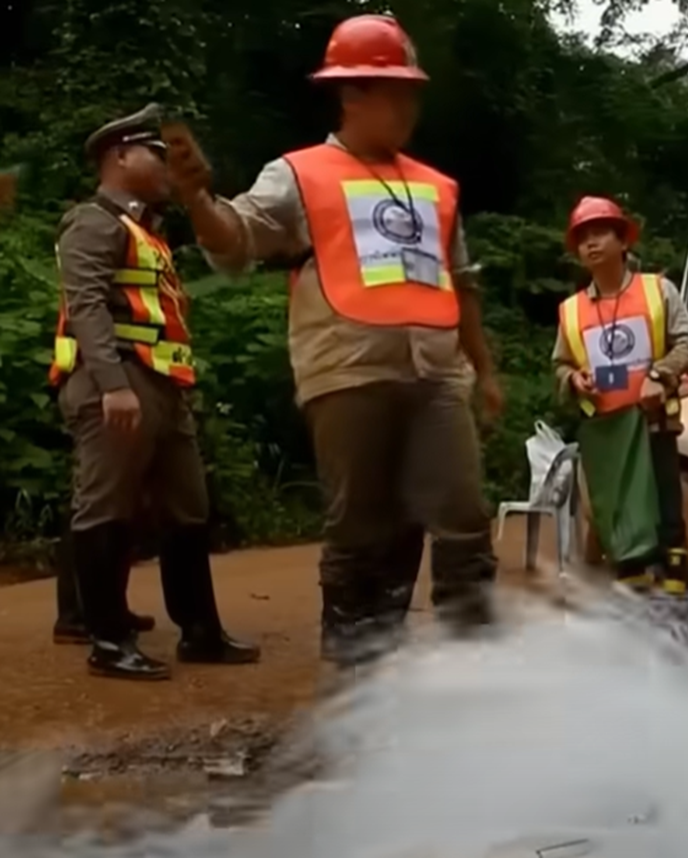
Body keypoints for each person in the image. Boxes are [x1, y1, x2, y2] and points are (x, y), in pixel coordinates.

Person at [168, 15, 502, 667]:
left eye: (412, 91)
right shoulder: (299, 173)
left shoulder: (437, 187)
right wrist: (196, 199)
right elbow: (236, 241)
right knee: (361, 528)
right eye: (393, 91)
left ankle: (474, 669)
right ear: (351, 93)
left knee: (461, 515)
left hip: (436, 372)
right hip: (346, 371)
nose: (408, 105)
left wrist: (484, 371)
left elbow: (460, 285)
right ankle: (359, 671)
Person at [50, 104, 260, 679]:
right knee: (106, 506)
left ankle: (200, 631)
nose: (169, 168)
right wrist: (114, 387)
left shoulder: (145, 231)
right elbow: (87, 305)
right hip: (115, 380)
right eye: (156, 155)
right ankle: (107, 641)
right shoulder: (93, 222)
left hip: (163, 383)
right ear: (119, 156)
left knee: (188, 508)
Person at [552, 196, 688, 595]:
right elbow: (560, 366)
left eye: (600, 232)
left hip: (653, 419)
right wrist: (574, 380)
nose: (591, 243)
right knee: (618, 517)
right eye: (583, 237)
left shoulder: (658, 291)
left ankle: (674, 587)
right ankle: (631, 587)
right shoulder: (571, 310)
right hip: (605, 432)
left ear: (623, 241)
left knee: (665, 505)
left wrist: (659, 373)